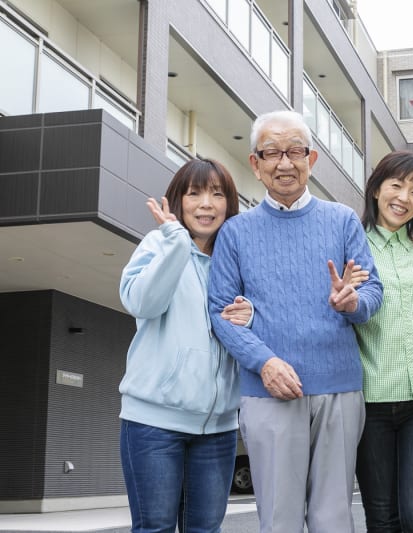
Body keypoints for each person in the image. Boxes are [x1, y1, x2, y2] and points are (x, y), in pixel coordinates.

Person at [207, 110, 384, 533]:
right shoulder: (235, 232)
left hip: (339, 386)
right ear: (256, 163)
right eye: (271, 153)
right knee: (279, 518)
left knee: (334, 516)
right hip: (267, 390)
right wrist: (265, 363)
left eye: (294, 152)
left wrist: (352, 302)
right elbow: (220, 312)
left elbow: (373, 291)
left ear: (312, 159)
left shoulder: (342, 220)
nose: (284, 163)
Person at [118, 158, 252, 533]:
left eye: (217, 194)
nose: (206, 204)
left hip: (219, 428)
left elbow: (254, 324)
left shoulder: (236, 259)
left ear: (229, 204)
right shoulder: (157, 244)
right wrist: (175, 244)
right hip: (152, 422)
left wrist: (251, 312)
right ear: (178, 200)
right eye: (194, 193)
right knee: (154, 528)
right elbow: (143, 303)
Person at [354, 151, 413, 532]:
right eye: (396, 185)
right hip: (369, 399)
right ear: (376, 189)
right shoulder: (352, 247)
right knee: (382, 518)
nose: (404, 198)